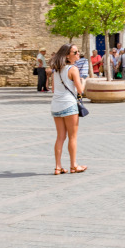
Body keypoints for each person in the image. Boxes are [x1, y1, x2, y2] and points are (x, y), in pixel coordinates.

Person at [48, 44, 87, 175]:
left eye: (78, 52)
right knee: (73, 137)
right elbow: (80, 90)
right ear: (67, 55)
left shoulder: (56, 70)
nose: (78, 54)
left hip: (56, 105)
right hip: (69, 105)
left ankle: (58, 167)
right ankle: (74, 165)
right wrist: (83, 81)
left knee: (60, 137)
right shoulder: (73, 69)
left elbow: (53, 89)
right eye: (75, 52)